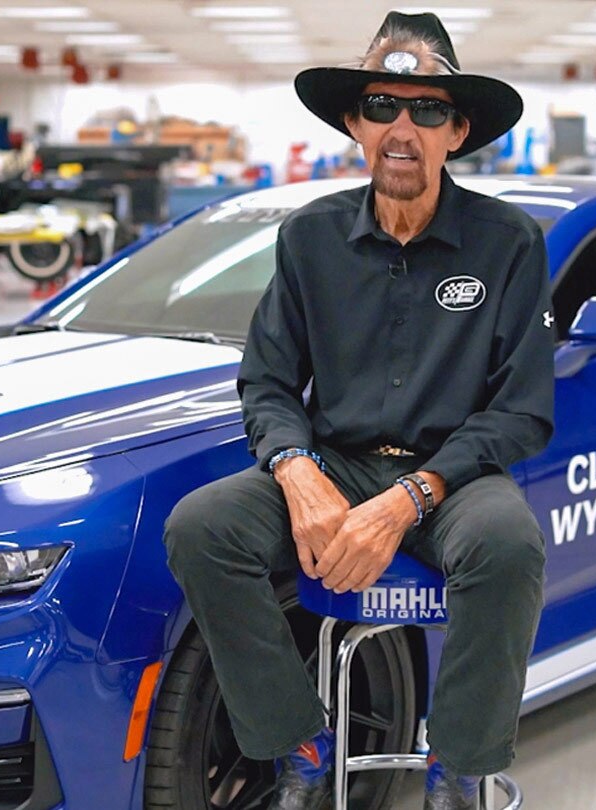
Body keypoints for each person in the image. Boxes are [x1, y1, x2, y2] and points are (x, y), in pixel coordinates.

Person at [162, 11, 552, 810]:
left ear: (458, 130)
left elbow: (522, 410)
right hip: (335, 463)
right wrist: (296, 470)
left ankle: (459, 768)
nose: (402, 128)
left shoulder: (508, 241)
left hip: (454, 477)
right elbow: (267, 381)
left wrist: (412, 497)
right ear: (354, 123)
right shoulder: (308, 239)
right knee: (201, 528)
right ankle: (297, 744)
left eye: (428, 110)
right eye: (382, 106)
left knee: (509, 547)